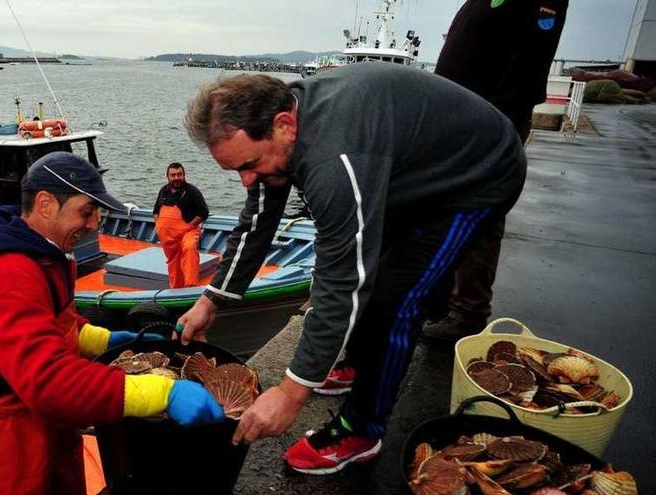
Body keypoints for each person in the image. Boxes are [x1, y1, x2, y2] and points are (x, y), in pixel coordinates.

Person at [177, 63, 526, 474]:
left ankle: (363, 429)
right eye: (235, 170)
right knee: (373, 270)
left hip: (477, 175)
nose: (246, 181)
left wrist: (292, 392)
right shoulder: (278, 127)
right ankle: (358, 362)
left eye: (249, 165)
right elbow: (257, 222)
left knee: (397, 301)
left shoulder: (333, 160)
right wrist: (212, 298)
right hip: (406, 165)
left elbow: (343, 279)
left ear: (285, 125)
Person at [0, 151, 224, 495]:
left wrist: (104, 341)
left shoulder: (45, 257)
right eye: (86, 212)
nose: (93, 224)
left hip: (43, 424)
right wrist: (164, 393)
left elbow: (55, 325)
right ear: (45, 204)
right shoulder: (7, 274)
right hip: (0, 437)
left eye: (96, 213)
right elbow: (49, 382)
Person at [423, 0, 569, 341]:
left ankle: (468, 313)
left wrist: (494, 120)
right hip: (459, 115)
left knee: (481, 211)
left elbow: (531, 57)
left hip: (489, 120)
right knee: (448, 207)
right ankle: (442, 301)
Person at [153, 162, 209, 288]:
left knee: (189, 248)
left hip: (188, 232)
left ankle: (191, 286)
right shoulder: (163, 191)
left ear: (184, 175)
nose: (176, 178)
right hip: (168, 238)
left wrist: (189, 226)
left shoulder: (193, 192)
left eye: (179, 174)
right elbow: (156, 211)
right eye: (173, 175)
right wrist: (159, 227)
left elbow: (203, 213)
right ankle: (176, 289)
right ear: (168, 177)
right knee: (174, 263)